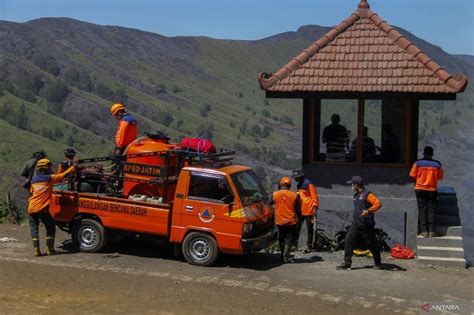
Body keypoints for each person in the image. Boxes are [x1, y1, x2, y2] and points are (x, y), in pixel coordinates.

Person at [28, 159, 75, 256]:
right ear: (47, 168)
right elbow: (62, 175)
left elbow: (31, 193)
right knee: (50, 227)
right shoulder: (49, 178)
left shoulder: (33, 180)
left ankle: (36, 250)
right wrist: (73, 167)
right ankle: (50, 249)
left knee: (34, 229)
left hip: (31, 207)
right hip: (42, 208)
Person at [337, 175, 382, 270]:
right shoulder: (356, 194)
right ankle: (347, 263)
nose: (351, 186)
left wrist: (368, 211)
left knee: (371, 243)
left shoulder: (367, 194)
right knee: (349, 239)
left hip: (367, 223)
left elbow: (378, 203)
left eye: (353, 185)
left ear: (357, 185)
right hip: (356, 222)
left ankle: (378, 263)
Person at [409, 146, 444, 238]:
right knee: (431, 210)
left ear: (424, 153)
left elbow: (412, 174)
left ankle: (424, 231)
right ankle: (431, 231)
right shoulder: (437, 164)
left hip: (420, 189)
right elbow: (440, 177)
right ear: (432, 154)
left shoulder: (417, 163)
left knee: (422, 209)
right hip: (432, 190)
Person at [269, 177, 300, 263]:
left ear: (280, 185)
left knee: (281, 238)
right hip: (291, 221)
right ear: (289, 185)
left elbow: (268, 203)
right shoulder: (294, 195)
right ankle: (285, 256)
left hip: (280, 221)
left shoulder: (275, 194)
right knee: (289, 239)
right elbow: (298, 209)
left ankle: (282, 256)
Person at [293, 171, 319, 253]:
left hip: (309, 210)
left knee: (310, 228)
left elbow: (314, 196)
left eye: (297, 178)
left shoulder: (309, 183)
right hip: (300, 210)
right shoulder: (298, 185)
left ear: (300, 177)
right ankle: (294, 244)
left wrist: (314, 208)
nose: (296, 179)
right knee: (297, 227)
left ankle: (309, 246)